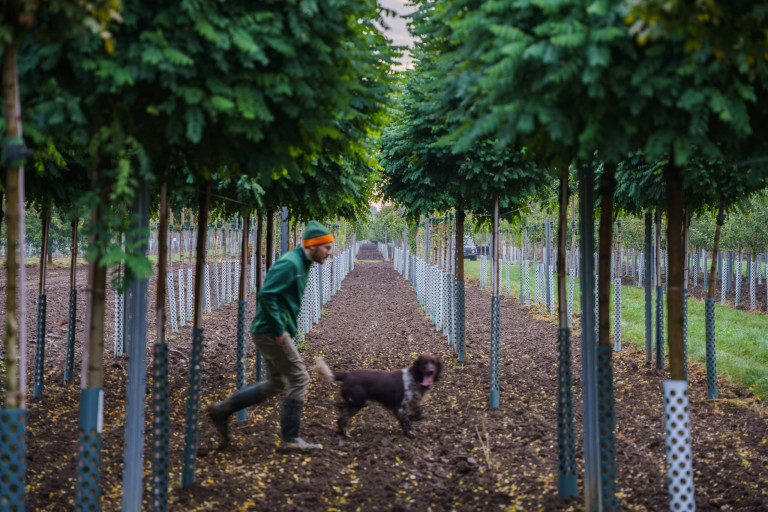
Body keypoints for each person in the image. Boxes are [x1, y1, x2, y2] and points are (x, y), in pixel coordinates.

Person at [207, 220, 333, 451]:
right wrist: (278, 330)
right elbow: (267, 295)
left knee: (278, 382)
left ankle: (222, 410)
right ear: (314, 245)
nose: (330, 252)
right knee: (300, 378)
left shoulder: (301, 263)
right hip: (271, 331)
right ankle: (291, 439)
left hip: (271, 330)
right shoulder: (291, 263)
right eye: (326, 247)